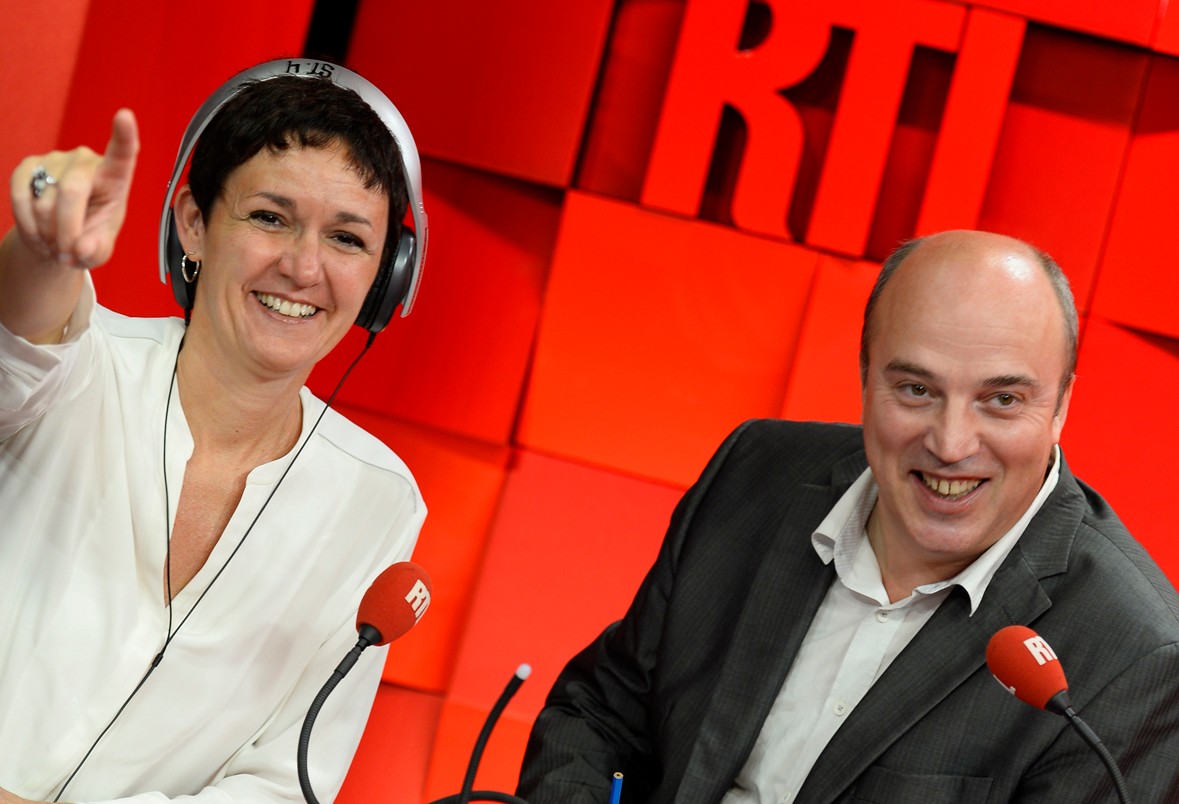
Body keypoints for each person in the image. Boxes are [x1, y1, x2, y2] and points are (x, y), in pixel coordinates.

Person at [516, 230, 1179, 803]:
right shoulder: (755, 472)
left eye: (1001, 400)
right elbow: (600, 713)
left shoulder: (1136, 658)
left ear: (1061, 406)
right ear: (865, 377)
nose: (951, 443)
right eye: (915, 389)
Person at [0, 60, 427, 802]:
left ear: (385, 277)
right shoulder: (79, 361)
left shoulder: (378, 501)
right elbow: (21, 333)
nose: (303, 267)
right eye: (269, 218)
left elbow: (280, 785)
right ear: (194, 223)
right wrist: (43, 248)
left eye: (347, 238)